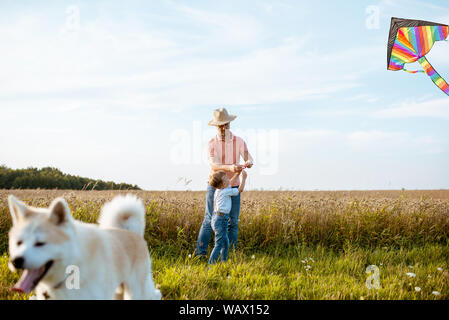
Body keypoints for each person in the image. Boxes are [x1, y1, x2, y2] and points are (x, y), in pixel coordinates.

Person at [195, 108, 254, 258]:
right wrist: (230, 167)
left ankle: (227, 254)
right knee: (209, 219)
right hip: (215, 185)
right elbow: (214, 166)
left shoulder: (239, 141)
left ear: (229, 124)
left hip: (233, 183)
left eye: (225, 124)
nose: (223, 128)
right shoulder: (211, 143)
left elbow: (249, 157)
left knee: (233, 221)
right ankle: (200, 254)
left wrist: (249, 162)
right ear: (216, 126)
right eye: (220, 125)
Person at [208, 170, 247, 264]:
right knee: (219, 244)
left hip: (218, 218)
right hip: (221, 220)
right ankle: (211, 265)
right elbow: (239, 190)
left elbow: (230, 183)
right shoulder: (225, 192)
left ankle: (224, 262)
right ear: (223, 183)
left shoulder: (220, 190)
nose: (229, 180)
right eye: (226, 178)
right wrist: (244, 178)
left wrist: (237, 174)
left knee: (225, 243)